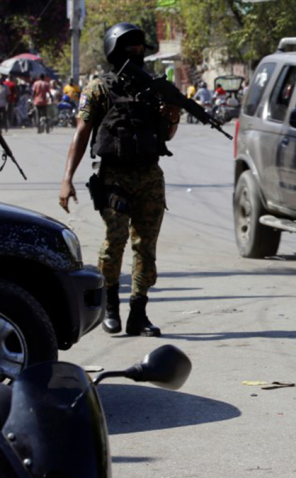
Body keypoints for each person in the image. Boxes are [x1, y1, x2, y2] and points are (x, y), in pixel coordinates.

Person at [58, 22, 181, 336]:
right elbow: (82, 132)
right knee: (114, 243)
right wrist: (67, 177)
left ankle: (138, 313)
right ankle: (110, 306)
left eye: (140, 45)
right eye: (130, 45)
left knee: (146, 248)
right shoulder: (101, 88)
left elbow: (166, 135)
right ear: (115, 49)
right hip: (115, 176)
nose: (137, 50)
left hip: (150, 175)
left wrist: (172, 116)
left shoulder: (154, 89)